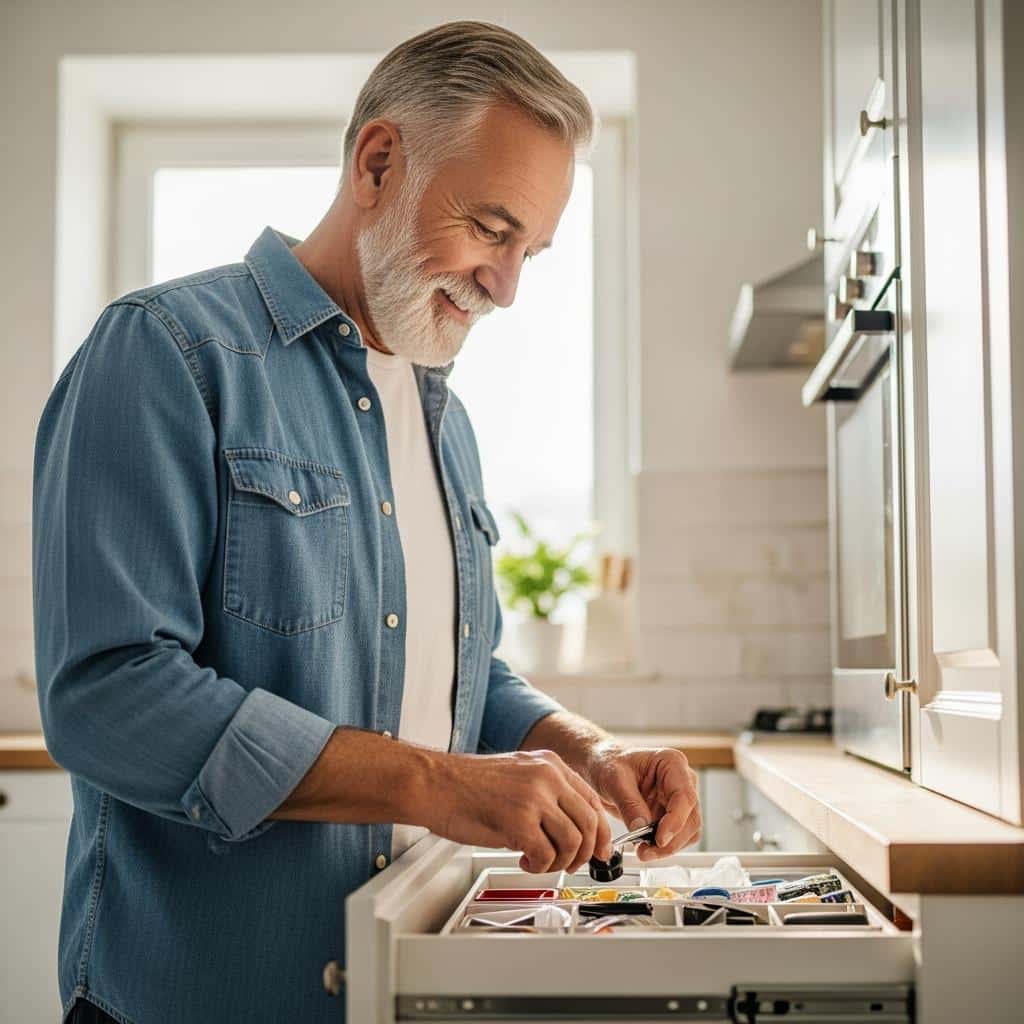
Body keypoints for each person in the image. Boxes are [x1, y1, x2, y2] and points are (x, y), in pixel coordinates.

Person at [33, 20, 701, 1023]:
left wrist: (580, 748)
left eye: (531, 249)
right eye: (490, 227)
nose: (506, 286)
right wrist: (435, 785)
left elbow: (448, 677)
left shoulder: (446, 419)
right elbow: (106, 696)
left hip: (394, 990)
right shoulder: (168, 353)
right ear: (378, 162)